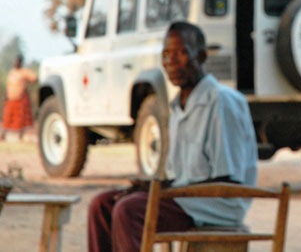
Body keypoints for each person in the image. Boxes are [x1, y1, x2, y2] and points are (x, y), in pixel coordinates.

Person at [87, 21, 258, 252]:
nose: (171, 62)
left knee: (129, 210)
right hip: (185, 199)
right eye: (166, 54)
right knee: (103, 204)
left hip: (215, 205)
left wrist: (165, 192)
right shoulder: (177, 108)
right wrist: (151, 186)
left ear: (202, 56)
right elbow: (180, 178)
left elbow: (227, 180)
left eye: (181, 52)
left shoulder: (221, 101)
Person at [0, 53, 37, 141]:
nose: (15, 63)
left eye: (17, 61)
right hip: (10, 98)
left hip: (21, 98)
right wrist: (6, 95)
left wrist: (27, 84)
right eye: (15, 61)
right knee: (7, 117)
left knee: (21, 118)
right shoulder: (12, 72)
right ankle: (3, 135)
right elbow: (8, 85)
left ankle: (21, 136)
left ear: (20, 62)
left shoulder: (24, 72)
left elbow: (34, 78)